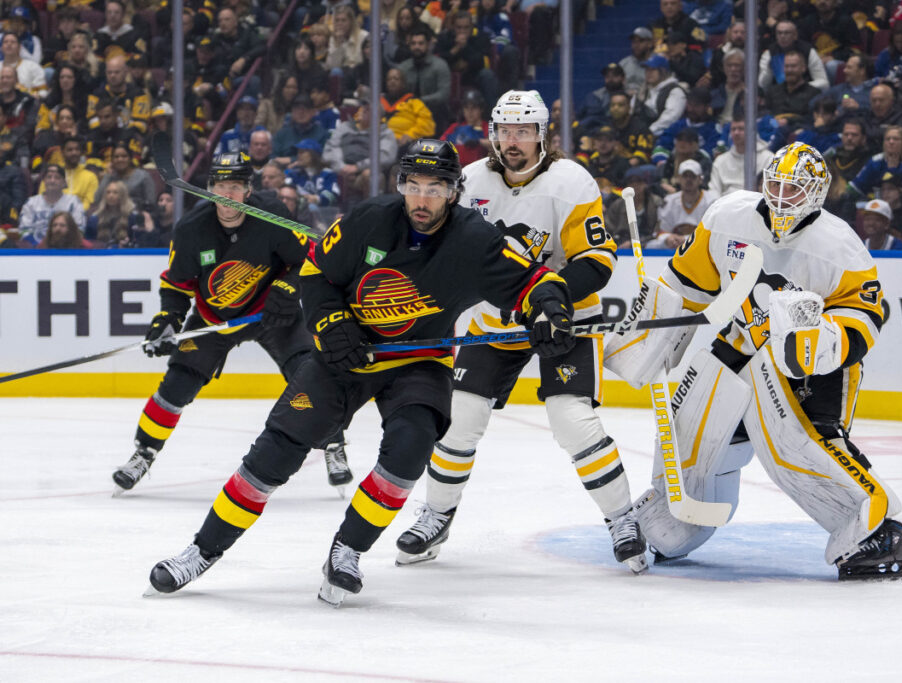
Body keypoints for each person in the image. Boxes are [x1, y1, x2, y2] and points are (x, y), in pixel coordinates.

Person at [144, 139, 575, 602]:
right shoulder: (369, 219)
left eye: (435, 187)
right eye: (413, 185)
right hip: (344, 356)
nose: (422, 198)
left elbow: (534, 280)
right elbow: (315, 272)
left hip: (417, 361)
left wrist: (549, 310)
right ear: (400, 185)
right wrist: (332, 324)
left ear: (454, 191)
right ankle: (202, 551)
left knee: (410, 449)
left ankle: (346, 551)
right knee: (275, 453)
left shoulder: (475, 239)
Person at [608, 142, 902, 581]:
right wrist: (653, 333)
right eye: (776, 185)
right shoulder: (728, 216)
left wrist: (824, 340)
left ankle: (875, 530)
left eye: (795, 191)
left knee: (795, 447)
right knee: (688, 426)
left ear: (817, 194)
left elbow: (866, 314)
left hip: (812, 367)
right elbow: (687, 285)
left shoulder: (838, 245)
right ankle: (674, 523)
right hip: (743, 342)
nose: (782, 198)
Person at [393, 91, 647, 574]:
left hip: (564, 318)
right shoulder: (469, 180)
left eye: (523, 131)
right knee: (459, 417)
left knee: (572, 419)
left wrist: (549, 301)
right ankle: (437, 516)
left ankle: (622, 520)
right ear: (493, 133)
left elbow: (596, 262)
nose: (514, 142)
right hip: (494, 322)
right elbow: (435, 246)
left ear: (541, 134)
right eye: (506, 131)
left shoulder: (571, 181)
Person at [111, 152, 349, 494]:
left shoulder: (274, 217)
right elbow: (177, 285)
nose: (228, 195)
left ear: (248, 190)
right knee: (178, 383)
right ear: (210, 189)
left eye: (235, 187)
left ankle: (333, 446)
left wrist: (286, 287)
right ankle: (143, 452)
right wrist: (168, 319)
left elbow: (309, 261)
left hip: (273, 314)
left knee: (308, 375)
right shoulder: (192, 229)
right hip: (215, 317)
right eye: (221, 186)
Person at [18, 164, 86, 246]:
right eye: (49, 177)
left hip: (66, 249)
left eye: (57, 177)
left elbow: (79, 230)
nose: (52, 180)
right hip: (37, 251)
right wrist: (39, 246)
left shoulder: (73, 202)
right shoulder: (31, 203)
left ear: (64, 182)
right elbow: (24, 230)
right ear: (44, 181)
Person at [652, 159, 713, 248]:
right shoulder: (669, 201)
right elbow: (660, 232)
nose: (688, 180)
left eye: (692, 176)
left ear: (700, 179)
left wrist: (686, 239)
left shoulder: (712, 201)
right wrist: (668, 238)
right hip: (674, 250)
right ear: (679, 179)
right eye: (685, 176)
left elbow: (713, 235)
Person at [708, 114, 772, 198]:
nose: (736, 133)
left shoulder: (768, 158)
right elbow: (714, 192)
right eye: (733, 129)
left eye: (741, 129)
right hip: (726, 207)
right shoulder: (720, 161)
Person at [85, 179, 141, 247]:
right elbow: (88, 242)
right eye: (108, 192)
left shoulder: (133, 217)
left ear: (122, 195)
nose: (111, 195)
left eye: (115, 192)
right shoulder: (94, 219)